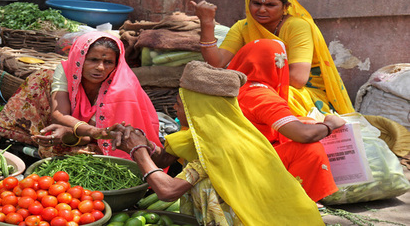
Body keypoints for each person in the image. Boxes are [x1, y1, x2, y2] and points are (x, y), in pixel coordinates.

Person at [109, 61, 324, 225]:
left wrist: (137, 150)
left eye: (180, 105)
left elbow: (168, 190)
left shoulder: (219, 147)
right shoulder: (209, 135)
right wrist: (137, 141)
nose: (175, 109)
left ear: (199, 111)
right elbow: (165, 157)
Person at [0, 31, 162, 160]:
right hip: (84, 131)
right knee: (41, 78)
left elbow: (111, 136)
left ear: (116, 64)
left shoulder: (121, 88)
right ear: (79, 58)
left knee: (69, 155)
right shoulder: (66, 71)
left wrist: (80, 135)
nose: (100, 68)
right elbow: (59, 113)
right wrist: (84, 131)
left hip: (107, 143)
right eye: (92, 60)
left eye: (108, 62)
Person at [191, 0, 354, 116]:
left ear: (285, 6)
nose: (262, 10)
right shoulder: (244, 26)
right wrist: (207, 23)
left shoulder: (297, 27)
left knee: (266, 100)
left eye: (270, 5)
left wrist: (253, 81)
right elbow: (216, 63)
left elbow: (298, 79)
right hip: (257, 85)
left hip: (302, 90)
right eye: (256, 3)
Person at [230, 38, 346, 203]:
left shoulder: (236, 89)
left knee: (298, 125)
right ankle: (291, 203)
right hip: (249, 167)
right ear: (279, 65)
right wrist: (329, 126)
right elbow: (303, 135)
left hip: (234, 160)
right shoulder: (261, 96)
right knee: (310, 149)